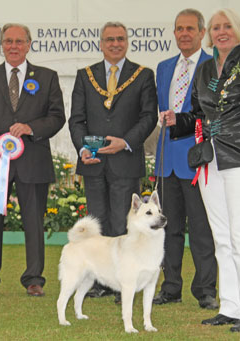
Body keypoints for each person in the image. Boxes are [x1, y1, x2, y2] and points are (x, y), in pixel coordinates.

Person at [162, 8, 240, 333]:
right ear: (210, 34)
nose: (221, 31)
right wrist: (179, 121)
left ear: (239, 30)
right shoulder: (205, 71)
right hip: (210, 160)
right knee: (223, 237)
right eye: (216, 27)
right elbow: (200, 117)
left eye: (227, 26)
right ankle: (230, 305)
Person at [0, 23, 65, 297]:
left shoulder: (47, 77)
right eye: (8, 41)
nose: (13, 46)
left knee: (34, 222)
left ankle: (34, 279)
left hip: (33, 161)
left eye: (19, 41)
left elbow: (57, 117)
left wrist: (31, 128)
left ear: (29, 44)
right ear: (1, 44)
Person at [69, 21, 157, 300]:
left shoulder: (143, 75)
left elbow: (148, 117)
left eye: (120, 39)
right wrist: (84, 148)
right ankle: (99, 281)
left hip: (126, 161)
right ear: (101, 43)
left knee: (124, 224)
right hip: (93, 163)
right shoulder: (85, 75)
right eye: (109, 39)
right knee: (97, 224)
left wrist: (126, 142)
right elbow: (76, 119)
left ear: (127, 42)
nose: (115, 44)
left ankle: (124, 282)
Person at [153, 9, 218, 310]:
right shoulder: (164, 67)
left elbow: (212, 113)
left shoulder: (213, 66)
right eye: (179, 29)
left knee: (202, 230)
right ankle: (171, 287)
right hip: (167, 160)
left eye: (190, 29)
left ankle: (205, 289)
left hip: (199, 160)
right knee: (169, 229)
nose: (184, 34)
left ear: (202, 32)